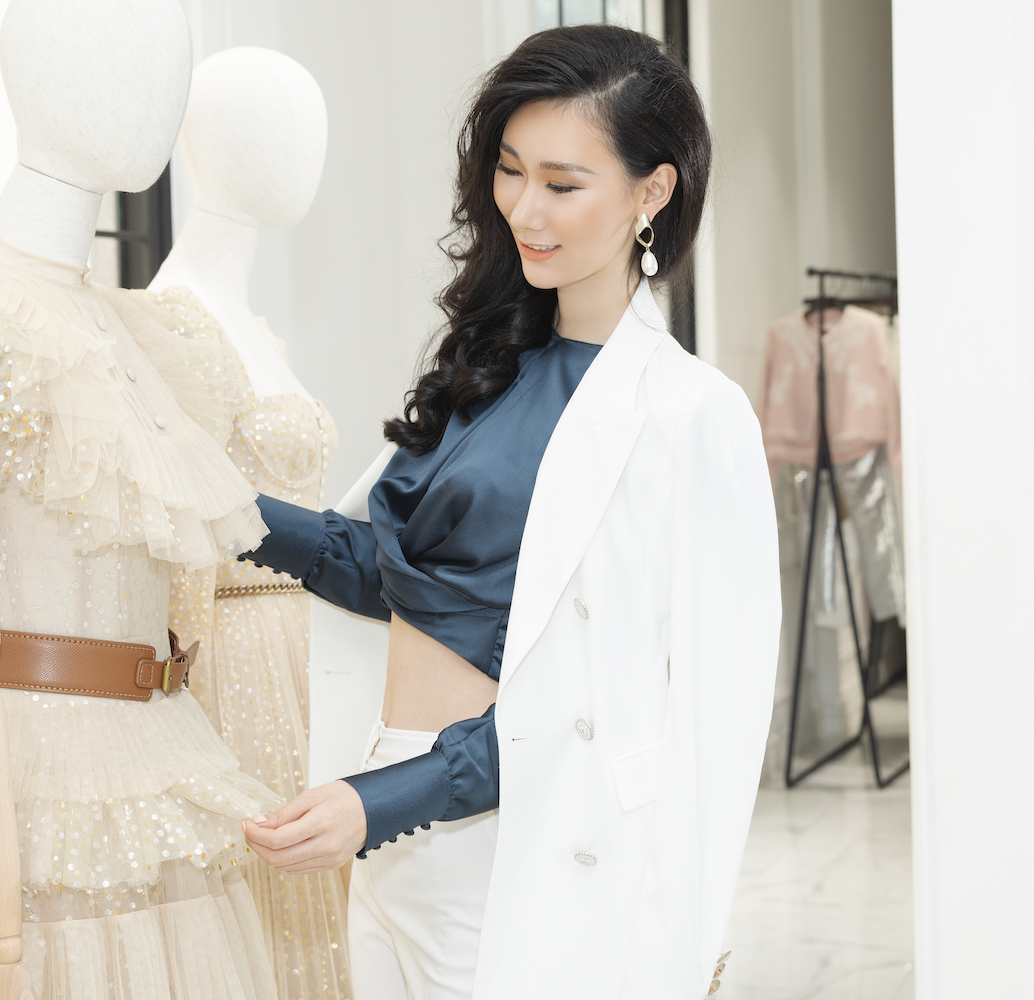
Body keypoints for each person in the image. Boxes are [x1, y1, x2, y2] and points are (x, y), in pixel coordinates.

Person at [239, 24, 781, 1000]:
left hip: (510, 847)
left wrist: (386, 802)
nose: (525, 209)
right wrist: (225, 514)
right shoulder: (490, 363)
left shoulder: (690, 417)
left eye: (563, 184)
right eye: (510, 169)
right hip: (386, 817)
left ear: (652, 191)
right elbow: (395, 574)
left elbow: (633, 714)